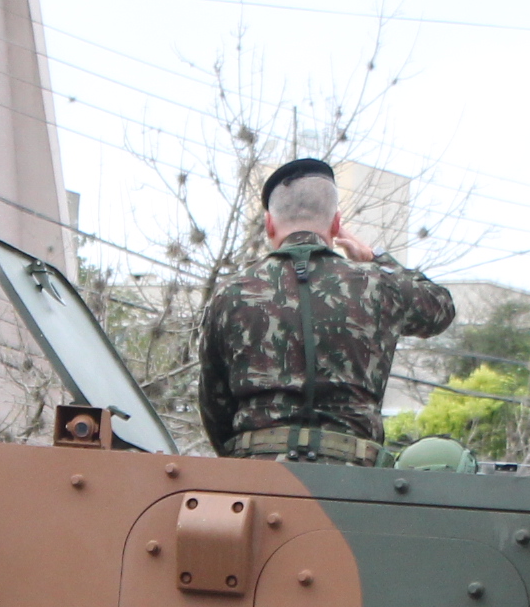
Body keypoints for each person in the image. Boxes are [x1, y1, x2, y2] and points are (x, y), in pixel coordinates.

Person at [196, 156, 458, 464]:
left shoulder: (231, 294)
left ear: (269, 223)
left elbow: (214, 403)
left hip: (258, 472)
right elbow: (440, 306)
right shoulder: (377, 285)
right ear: (336, 224)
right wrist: (376, 259)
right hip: (352, 479)